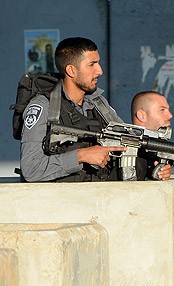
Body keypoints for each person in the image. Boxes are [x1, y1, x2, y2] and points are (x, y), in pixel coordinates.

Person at [19, 37, 127, 182]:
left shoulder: (99, 104)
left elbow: (126, 140)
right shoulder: (43, 107)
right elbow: (31, 169)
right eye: (92, 64)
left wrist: (153, 166)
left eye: (98, 63)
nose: (99, 71)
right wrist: (80, 156)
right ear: (71, 70)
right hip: (61, 201)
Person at [129, 91, 173, 181]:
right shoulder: (122, 146)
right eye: (162, 110)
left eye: (168, 110)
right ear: (142, 116)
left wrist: (161, 173)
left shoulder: (157, 150)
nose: (170, 115)